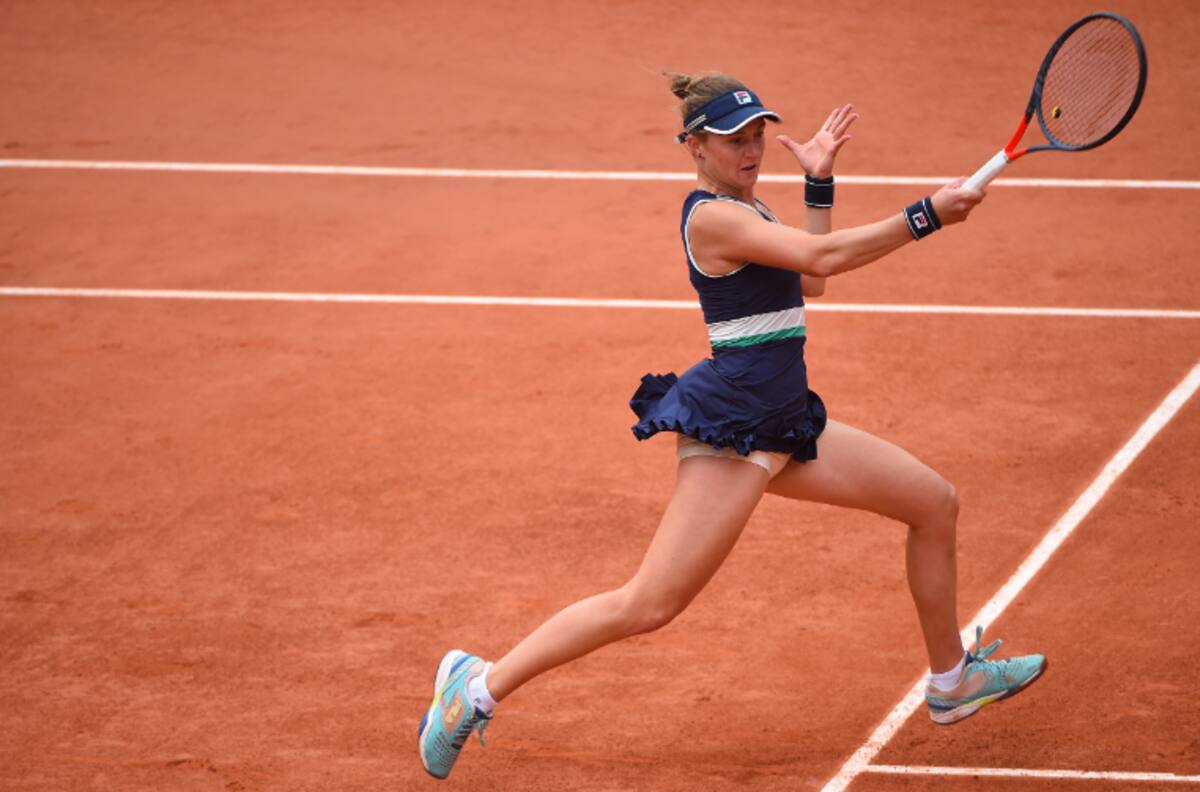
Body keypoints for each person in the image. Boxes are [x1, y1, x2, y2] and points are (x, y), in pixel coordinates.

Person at [417, 72, 1046, 780]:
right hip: (735, 431)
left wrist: (817, 186)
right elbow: (825, 257)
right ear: (693, 147)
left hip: (785, 422)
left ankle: (951, 680)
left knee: (933, 502)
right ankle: (474, 688)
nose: (750, 150)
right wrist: (928, 213)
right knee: (649, 604)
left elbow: (812, 281)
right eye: (732, 140)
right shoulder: (711, 218)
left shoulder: (751, 207)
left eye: (755, 136)